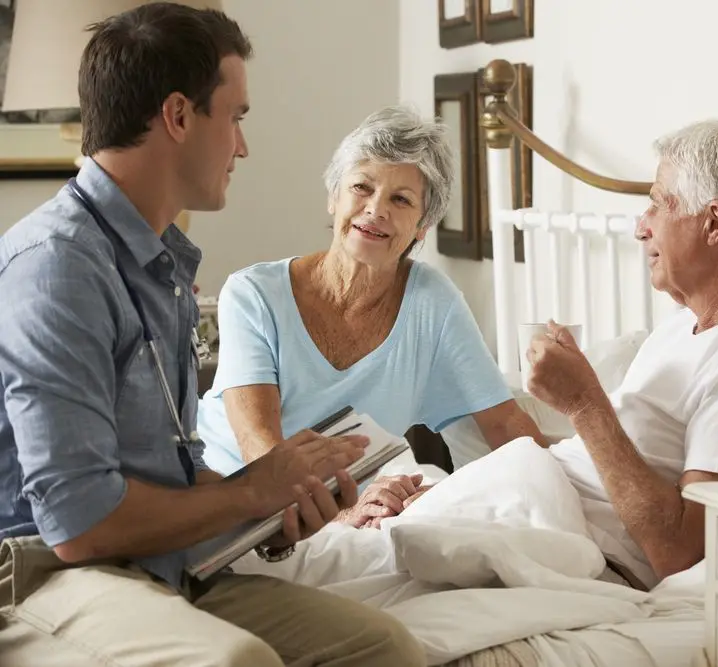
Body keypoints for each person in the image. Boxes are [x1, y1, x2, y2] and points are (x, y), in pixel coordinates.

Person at [0, 4, 424, 666]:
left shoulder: (162, 266)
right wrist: (250, 490)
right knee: (234, 661)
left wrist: (272, 505)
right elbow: (79, 526)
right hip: (44, 573)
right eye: (236, 118)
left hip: (155, 565)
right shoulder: (56, 268)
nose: (243, 145)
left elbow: (168, 471)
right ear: (177, 116)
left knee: (384, 645)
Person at [196, 105, 544, 528]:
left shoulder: (432, 302)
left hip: (356, 509)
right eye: (362, 187)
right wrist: (344, 515)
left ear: (422, 225)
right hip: (239, 506)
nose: (376, 209)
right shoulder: (253, 294)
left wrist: (568, 497)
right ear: (333, 197)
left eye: (401, 199)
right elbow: (261, 453)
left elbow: (505, 424)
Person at [524, 119, 718, 590]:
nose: (641, 228)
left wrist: (584, 404)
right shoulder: (683, 323)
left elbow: (681, 553)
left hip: (568, 546)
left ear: (713, 223)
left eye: (658, 204)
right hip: (528, 504)